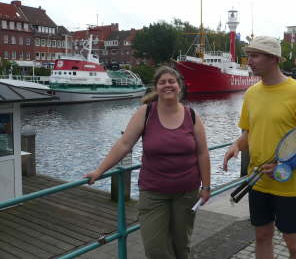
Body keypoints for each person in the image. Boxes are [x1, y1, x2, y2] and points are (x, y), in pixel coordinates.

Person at [85, 66, 211, 259]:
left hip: (186, 193)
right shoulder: (146, 113)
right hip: (153, 193)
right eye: (162, 82)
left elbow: (202, 153)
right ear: (156, 87)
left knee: (181, 247)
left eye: (172, 81)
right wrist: (99, 170)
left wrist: (207, 187)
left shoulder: (192, 116)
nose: (167, 85)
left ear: (179, 86)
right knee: (155, 249)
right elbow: (124, 144)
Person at [223, 36, 296, 259]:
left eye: (255, 56)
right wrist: (236, 145)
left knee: (294, 244)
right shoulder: (251, 93)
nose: (249, 61)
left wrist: (286, 163)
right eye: (248, 55)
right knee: (261, 236)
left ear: (274, 59)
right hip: (258, 181)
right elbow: (249, 132)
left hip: (290, 186)